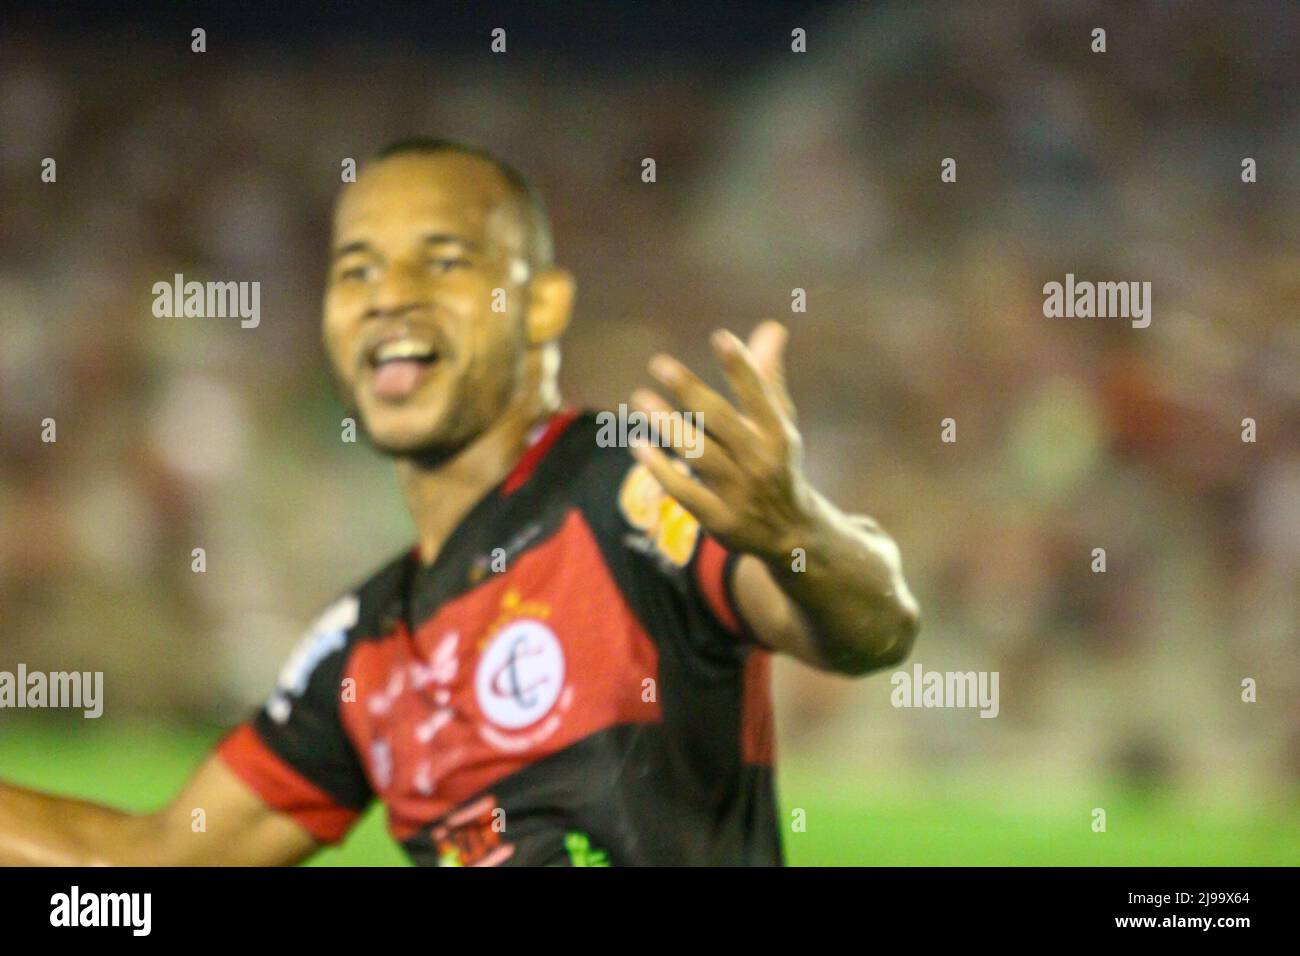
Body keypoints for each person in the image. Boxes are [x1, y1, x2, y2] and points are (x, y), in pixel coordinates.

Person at [0, 139, 919, 866]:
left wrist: (797, 533)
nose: (390, 297)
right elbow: (149, 873)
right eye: (356, 270)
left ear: (544, 305)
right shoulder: (365, 646)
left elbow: (872, 632)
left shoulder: (631, 489)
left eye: (442, 263)